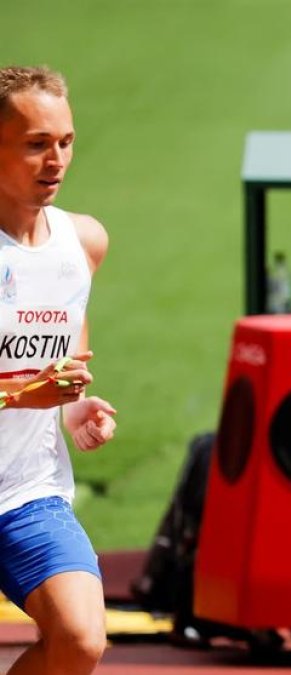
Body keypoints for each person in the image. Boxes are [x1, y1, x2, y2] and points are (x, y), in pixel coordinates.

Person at [0, 65, 118, 674]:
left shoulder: (82, 244)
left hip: (28, 493)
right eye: (36, 144)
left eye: (65, 141)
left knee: (79, 639)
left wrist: (75, 408)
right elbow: (26, 387)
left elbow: (64, 362)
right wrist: (22, 396)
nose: (56, 160)